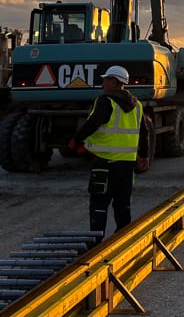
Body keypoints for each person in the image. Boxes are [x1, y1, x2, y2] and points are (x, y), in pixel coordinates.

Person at [68, 65, 151, 243]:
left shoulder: (105, 101)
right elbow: (144, 133)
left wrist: (75, 141)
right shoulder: (136, 105)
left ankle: (95, 244)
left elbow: (93, 123)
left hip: (105, 163)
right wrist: (144, 156)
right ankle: (122, 242)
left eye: (105, 79)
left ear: (114, 82)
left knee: (99, 204)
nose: (103, 82)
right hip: (127, 164)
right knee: (123, 205)